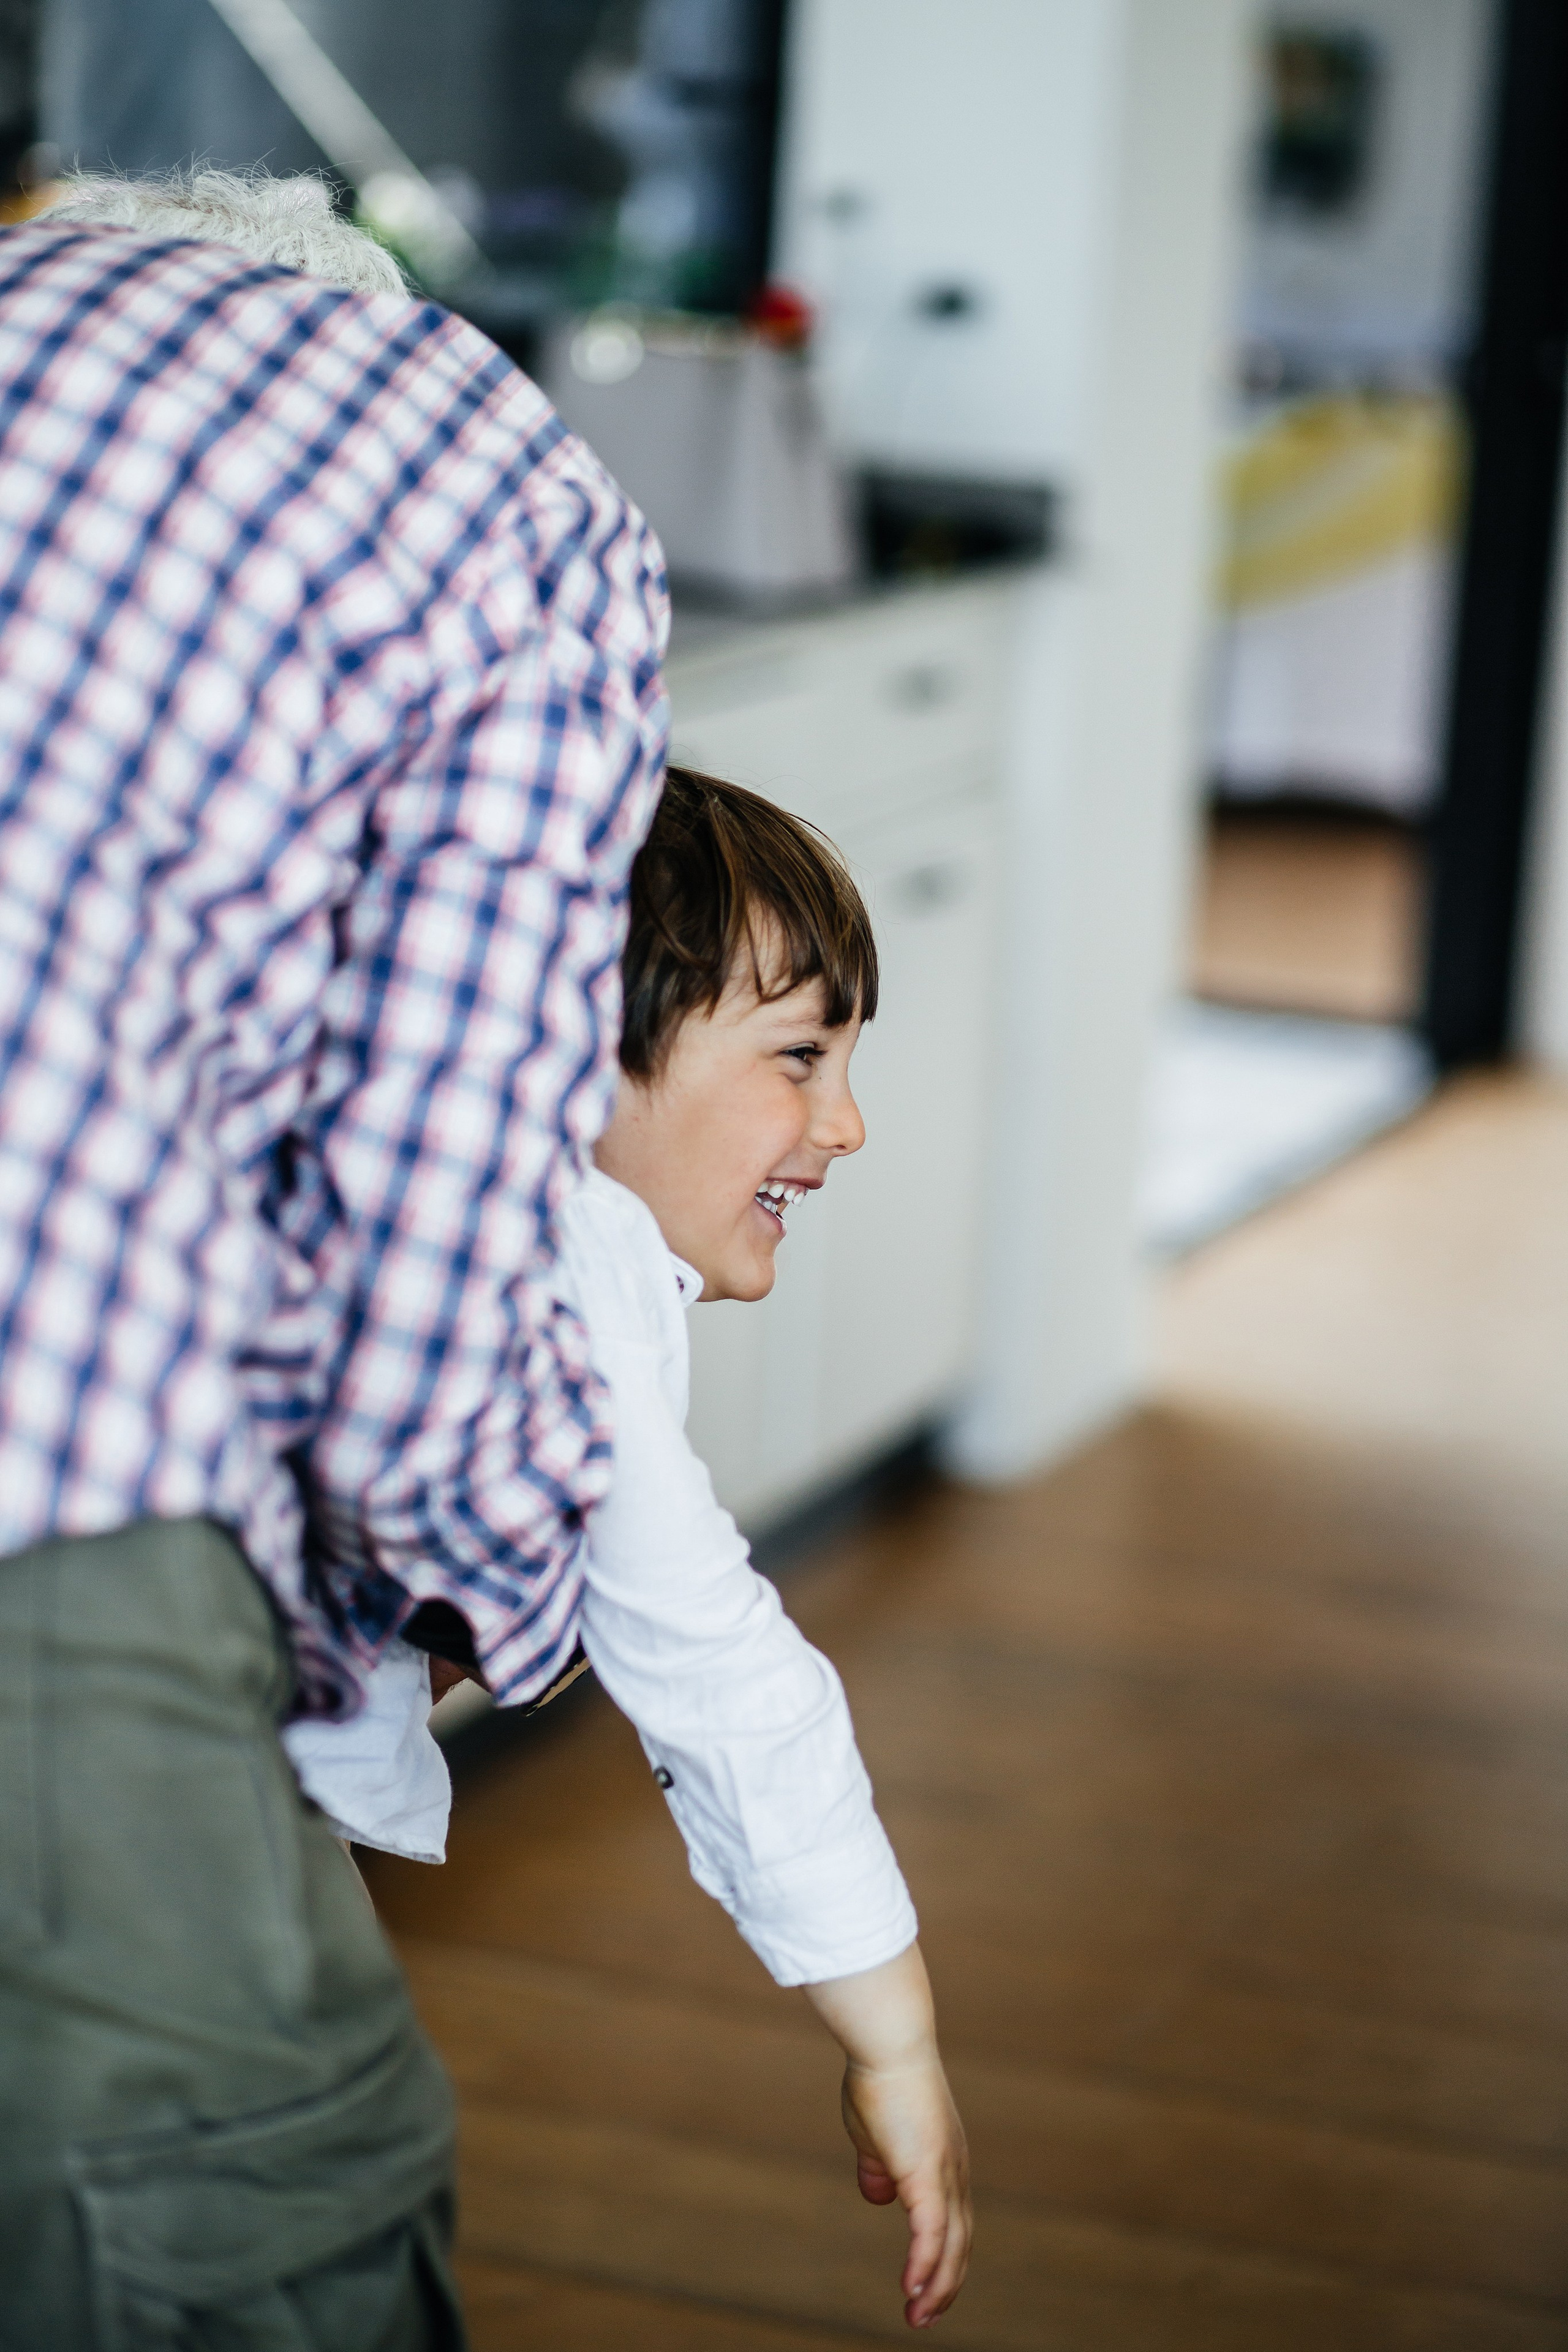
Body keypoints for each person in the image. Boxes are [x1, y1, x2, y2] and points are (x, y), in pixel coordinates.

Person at [0, 172, 666, 2346]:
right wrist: (507, 1590)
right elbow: (419, 1319)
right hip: (45, 1502)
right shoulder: (494, 487)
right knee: (249, 2219)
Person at [288, 765, 973, 2329]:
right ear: (566, 1056)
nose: (846, 1123)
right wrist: (894, 2037)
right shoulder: (564, 1251)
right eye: (798, 1054)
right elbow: (710, 1656)